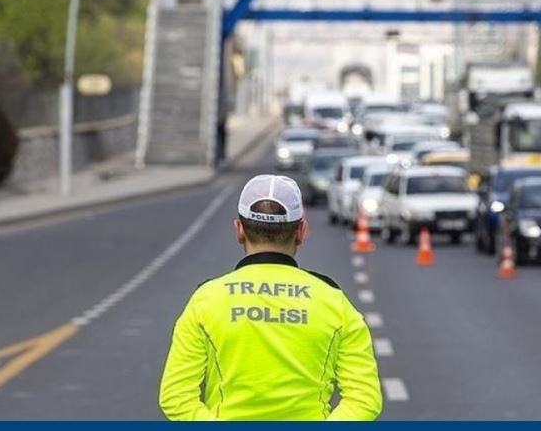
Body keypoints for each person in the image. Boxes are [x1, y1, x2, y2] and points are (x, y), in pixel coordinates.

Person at [159, 174, 382, 421]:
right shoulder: (334, 302)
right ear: (301, 231)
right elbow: (364, 398)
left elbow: (175, 396)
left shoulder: (206, 300)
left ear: (239, 230)